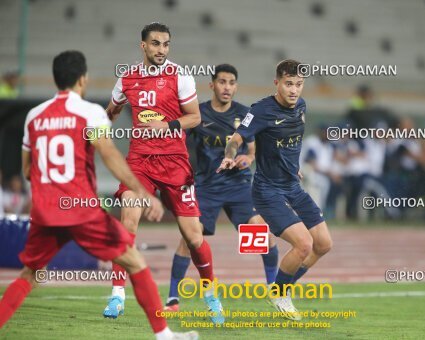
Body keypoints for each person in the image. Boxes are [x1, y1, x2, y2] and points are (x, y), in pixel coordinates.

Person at [0, 51, 198, 340]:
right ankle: (164, 335)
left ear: (55, 78)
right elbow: (111, 157)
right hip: (81, 210)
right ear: (83, 79)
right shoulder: (90, 112)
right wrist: (144, 193)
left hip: (45, 211)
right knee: (135, 261)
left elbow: (28, 171)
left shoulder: (34, 116)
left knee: (29, 274)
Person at [104, 22, 224, 324]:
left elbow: (195, 117)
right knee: (128, 221)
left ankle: (210, 295)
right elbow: (111, 111)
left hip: (174, 163)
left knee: (193, 236)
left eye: (166, 44)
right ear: (143, 45)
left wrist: (167, 126)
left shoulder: (179, 76)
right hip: (139, 162)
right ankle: (117, 294)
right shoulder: (127, 77)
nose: (161, 50)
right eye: (155, 44)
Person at [217, 60, 332, 320]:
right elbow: (236, 139)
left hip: (293, 185)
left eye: (299, 85)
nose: (294, 90)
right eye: (288, 84)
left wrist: (293, 166)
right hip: (268, 190)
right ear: (277, 83)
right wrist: (229, 155)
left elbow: (291, 142)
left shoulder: (301, 106)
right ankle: (279, 293)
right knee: (304, 244)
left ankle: (284, 287)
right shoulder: (261, 110)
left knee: (323, 245)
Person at [165, 64, 279, 311]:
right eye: (222, 82)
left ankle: (275, 290)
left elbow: (252, 147)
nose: (227, 87)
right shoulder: (199, 114)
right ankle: (173, 297)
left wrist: (249, 158)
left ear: (236, 86)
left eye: (232, 83)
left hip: (239, 187)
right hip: (206, 188)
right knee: (191, 239)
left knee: (262, 235)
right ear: (212, 85)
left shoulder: (245, 113)